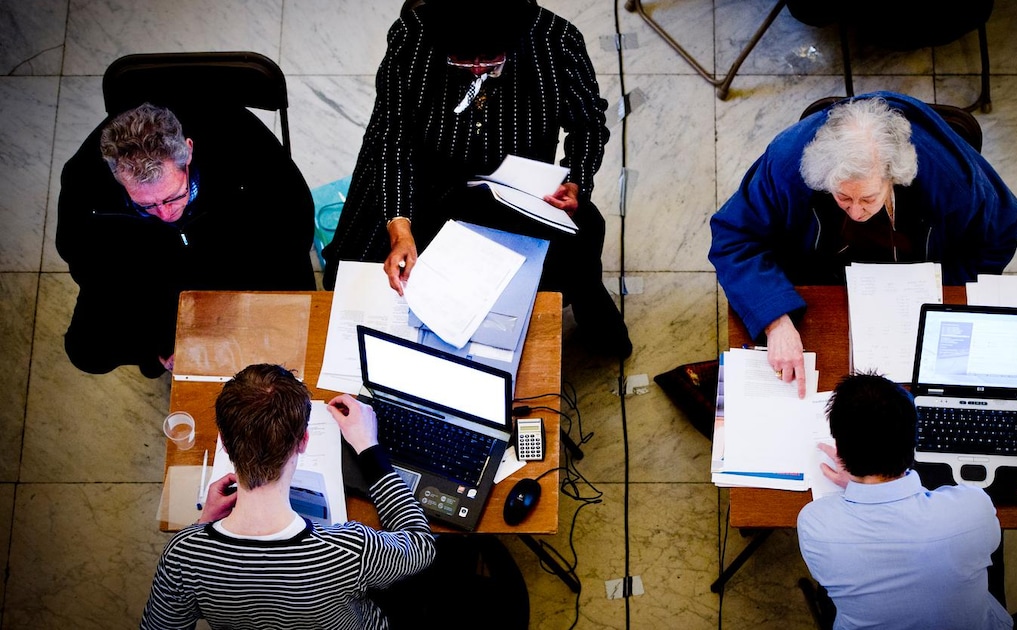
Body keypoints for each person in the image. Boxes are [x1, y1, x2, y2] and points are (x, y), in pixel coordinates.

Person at [321, 0, 631, 358]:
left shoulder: (557, 40)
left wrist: (576, 180)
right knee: (365, 286)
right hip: (424, 183)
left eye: (491, 60)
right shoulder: (411, 36)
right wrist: (400, 228)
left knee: (580, 240)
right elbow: (392, 137)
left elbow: (588, 122)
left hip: (514, 190)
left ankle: (588, 313)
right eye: (463, 60)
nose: (477, 70)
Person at [709, 92, 1017, 396]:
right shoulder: (787, 163)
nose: (857, 211)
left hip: (913, 288)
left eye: (869, 198)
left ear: (894, 175)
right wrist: (775, 321)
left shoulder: (950, 179)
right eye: (843, 197)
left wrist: (945, 290)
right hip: (820, 284)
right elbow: (733, 235)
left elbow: (1002, 228)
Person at [140, 364, 436, 629]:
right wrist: (369, 449)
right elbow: (422, 548)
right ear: (304, 441)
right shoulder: (351, 550)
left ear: (225, 446)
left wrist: (202, 524)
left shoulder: (183, 556)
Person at [57, 102, 316, 378]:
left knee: (301, 331)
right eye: (146, 205)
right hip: (150, 267)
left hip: (236, 252)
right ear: (117, 175)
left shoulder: (243, 143)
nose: (165, 214)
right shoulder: (82, 178)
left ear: (188, 151)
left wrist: (242, 305)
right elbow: (81, 259)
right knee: (87, 350)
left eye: (174, 196)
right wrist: (159, 343)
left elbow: (295, 224)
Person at [797, 372, 1013, 629]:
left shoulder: (815, 525)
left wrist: (858, 481)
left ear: (842, 453)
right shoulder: (974, 510)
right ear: (914, 443)